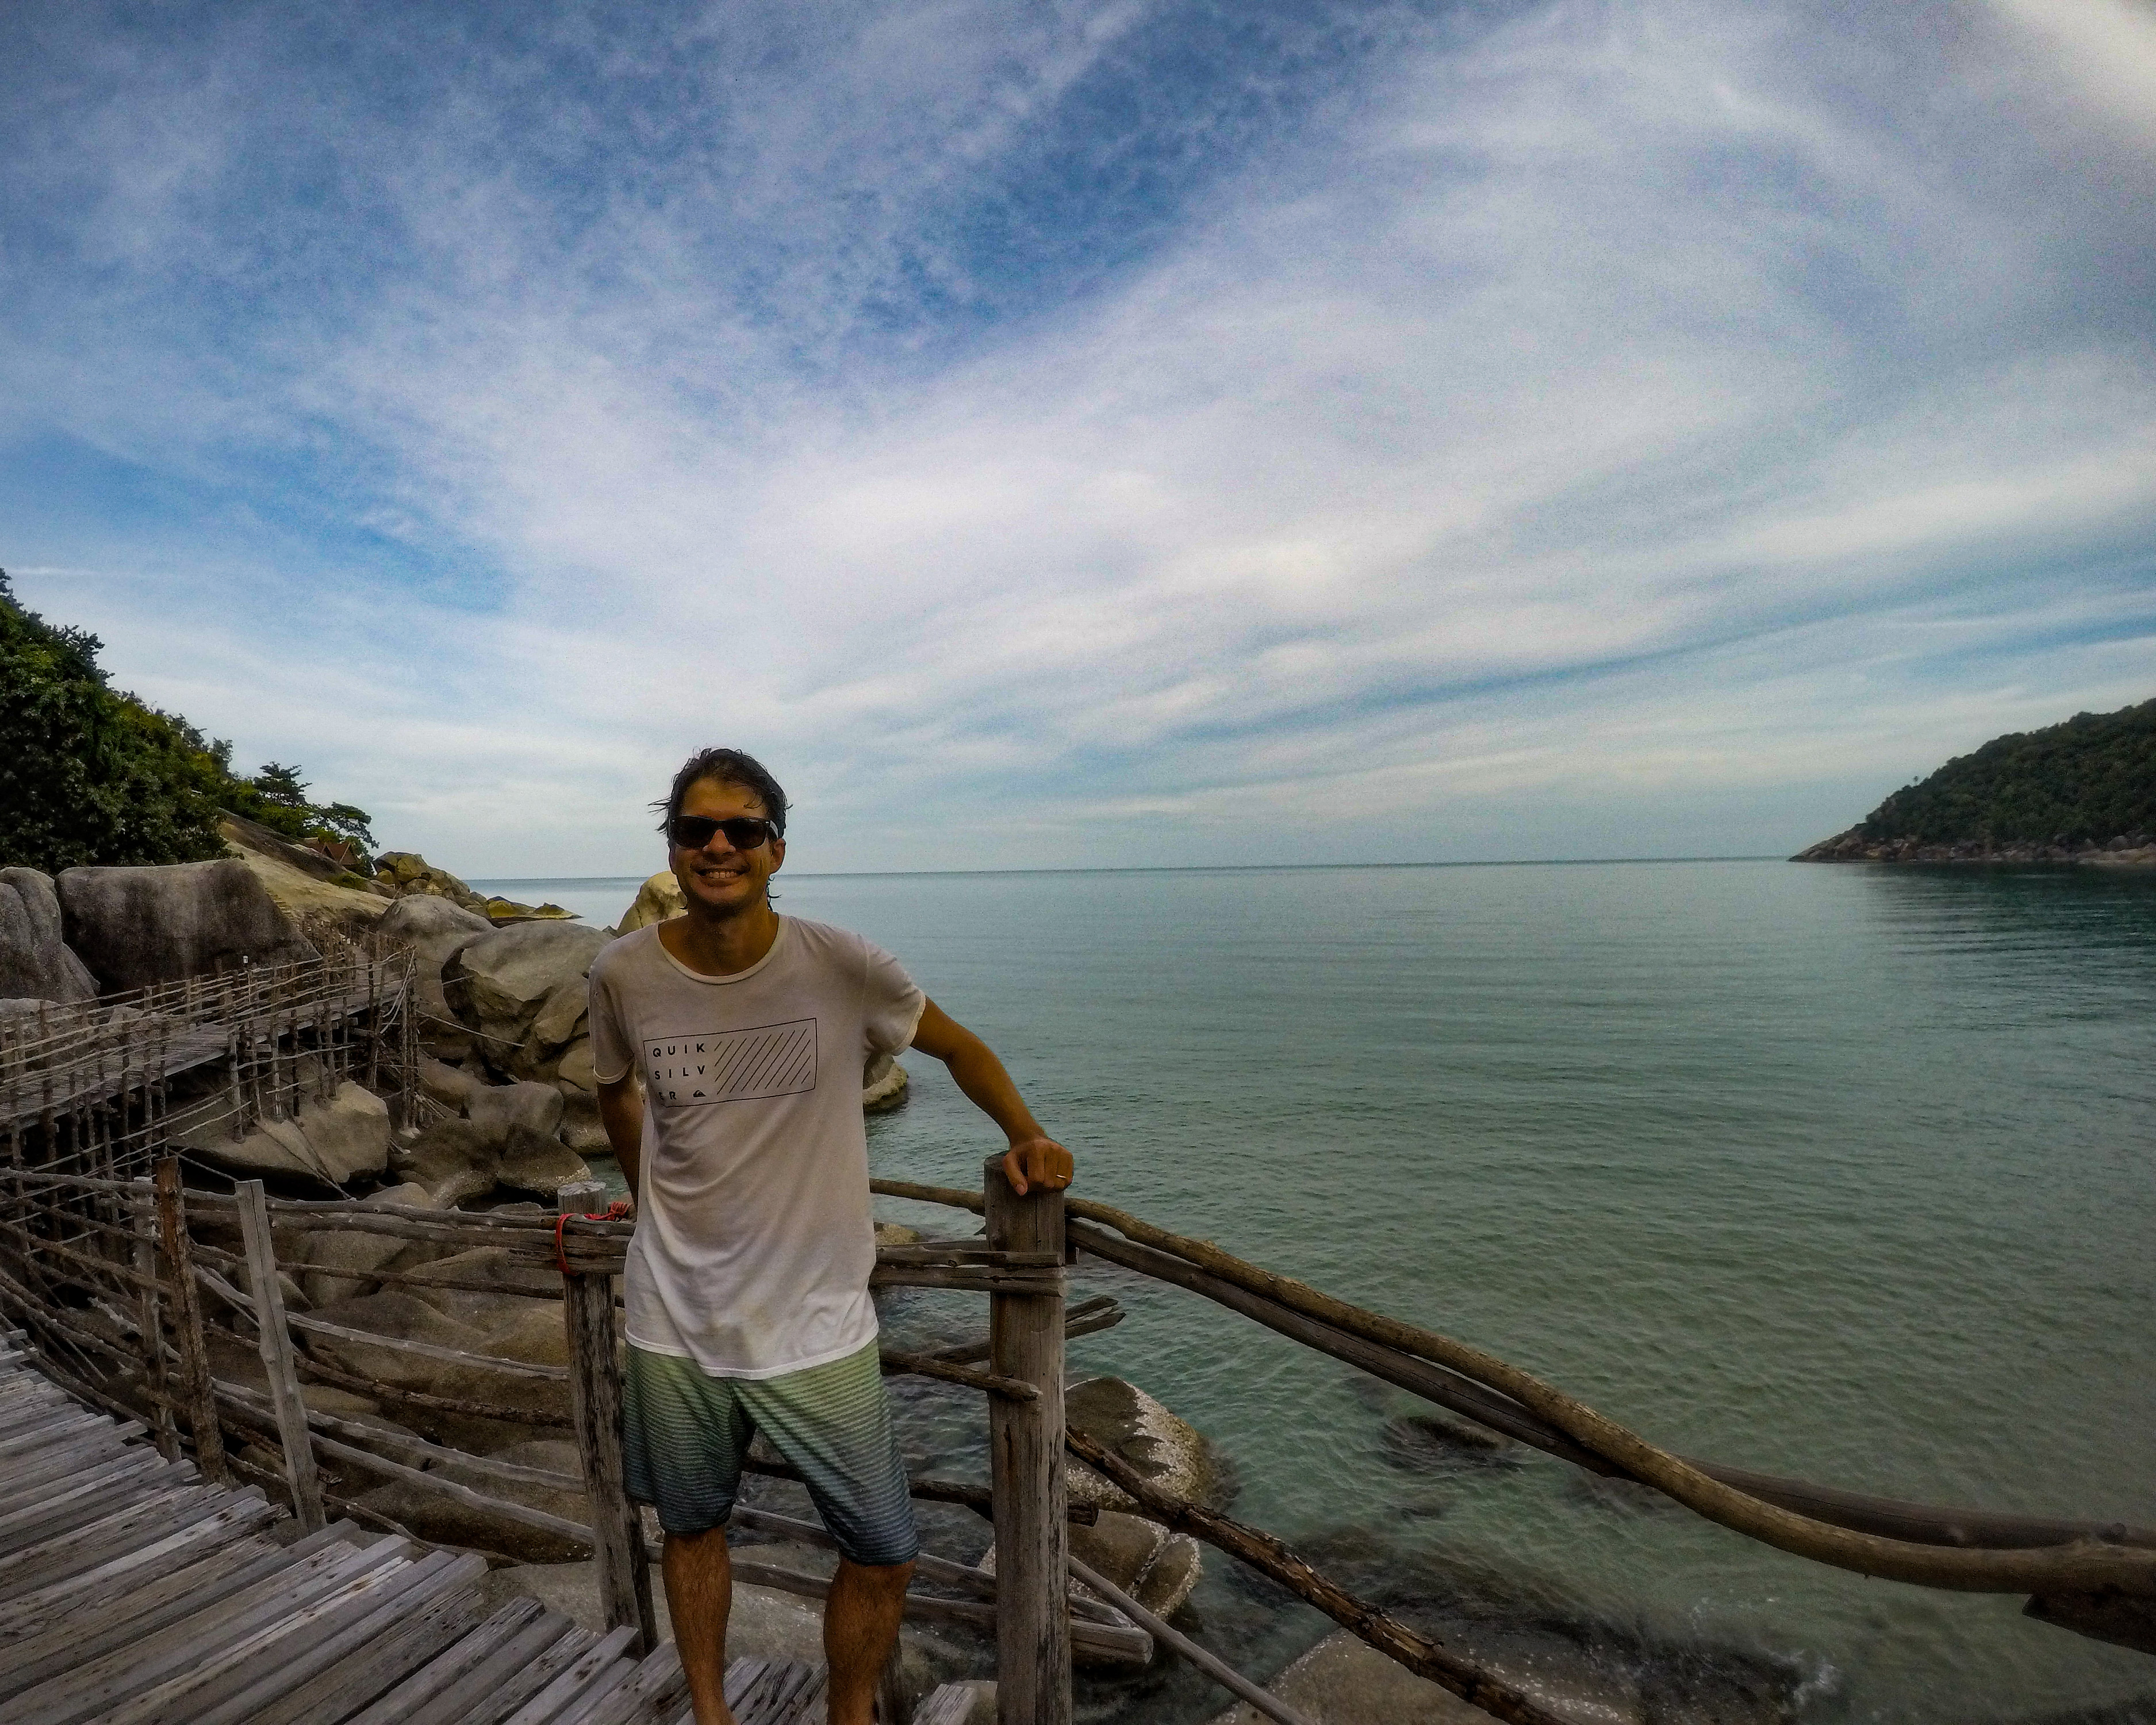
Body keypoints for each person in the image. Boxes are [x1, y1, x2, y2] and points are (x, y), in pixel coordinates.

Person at [588, 746, 1075, 1725]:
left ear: (776, 849)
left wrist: (1024, 1132)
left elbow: (957, 1047)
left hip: (818, 1321)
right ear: (672, 848)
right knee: (691, 1527)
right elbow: (615, 1091)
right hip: (675, 1315)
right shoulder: (623, 973)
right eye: (695, 830)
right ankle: (713, 1714)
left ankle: (848, 1714)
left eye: (742, 829)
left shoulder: (843, 963)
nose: (718, 846)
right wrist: (647, 1201)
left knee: (884, 1548)